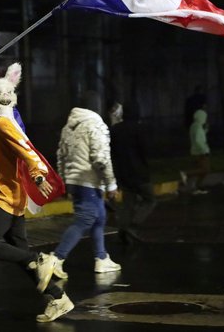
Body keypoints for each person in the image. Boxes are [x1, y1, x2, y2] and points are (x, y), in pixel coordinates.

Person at [0, 63, 74, 324]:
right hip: (15, 197)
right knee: (23, 259)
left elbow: (27, 149)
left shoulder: (2, 125)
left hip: (7, 198)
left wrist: (38, 174)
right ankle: (58, 298)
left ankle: (41, 258)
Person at [50, 106, 121, 281]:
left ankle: (102, 258)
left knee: (100, 217)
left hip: (75, 181)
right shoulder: (96, 125)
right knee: (86, 219)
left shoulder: (68, 127)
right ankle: (55, 258)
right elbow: (101, 158)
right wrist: (111, 183)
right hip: (88, 181)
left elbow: (61, 156)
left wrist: (64, 181)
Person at [110, 101, 156, 244]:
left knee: (128, 203)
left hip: (123, 173)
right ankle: (133, 225)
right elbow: (145, 150)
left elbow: (112, 152)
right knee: (150, 200)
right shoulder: (139, 129)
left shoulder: (116, 129)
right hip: (139, 172)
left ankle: (124, 231)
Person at [180, 108, 210, 194]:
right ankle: (186, 174)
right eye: (204, 117)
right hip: (200, 151)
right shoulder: (198, 127)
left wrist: (205, 131)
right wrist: (204, 150)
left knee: (200, 169)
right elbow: (198, 140)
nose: (205, 119)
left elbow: (199, 136)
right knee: (205, 169)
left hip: (195, 151)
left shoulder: (194, 126)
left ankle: (195, 186)